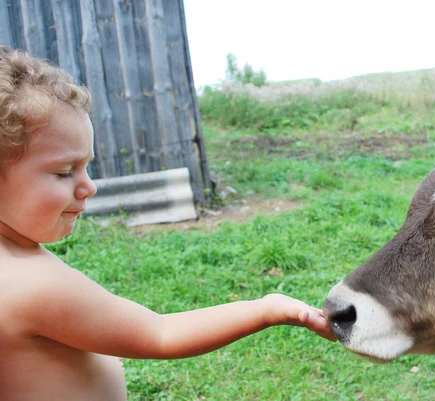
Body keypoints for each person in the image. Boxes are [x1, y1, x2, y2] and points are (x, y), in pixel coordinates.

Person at [0, 45, 334, 401]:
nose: (90, 186)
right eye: (65, 171)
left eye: (87, 166)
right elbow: (160, 333)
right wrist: (264, 309)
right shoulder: (33, 285)